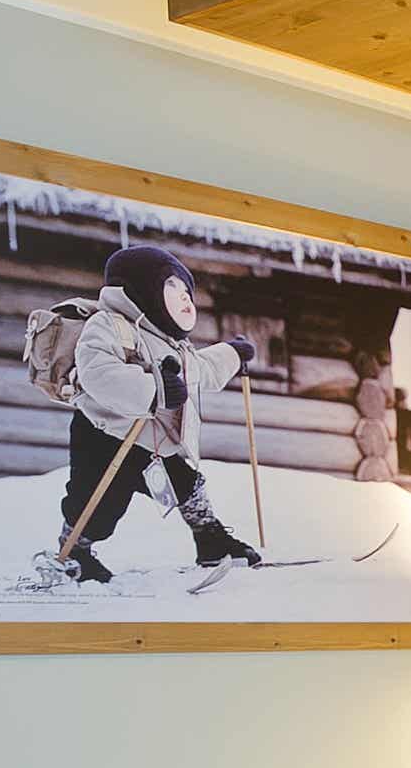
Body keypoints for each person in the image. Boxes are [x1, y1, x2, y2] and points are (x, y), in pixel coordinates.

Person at [56, 244, 263, 582]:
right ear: (140, 289)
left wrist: (232, 354)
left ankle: (210, 540)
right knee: (99, 505)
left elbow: (200, 371)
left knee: (186, 483)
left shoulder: (168, 341)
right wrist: (154, 390)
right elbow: (99, 373)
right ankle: (74, 551)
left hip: (151, 438)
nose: (184, 298)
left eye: (186, 290)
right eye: (171, 286)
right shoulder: (108, 325)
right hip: (104, 436)